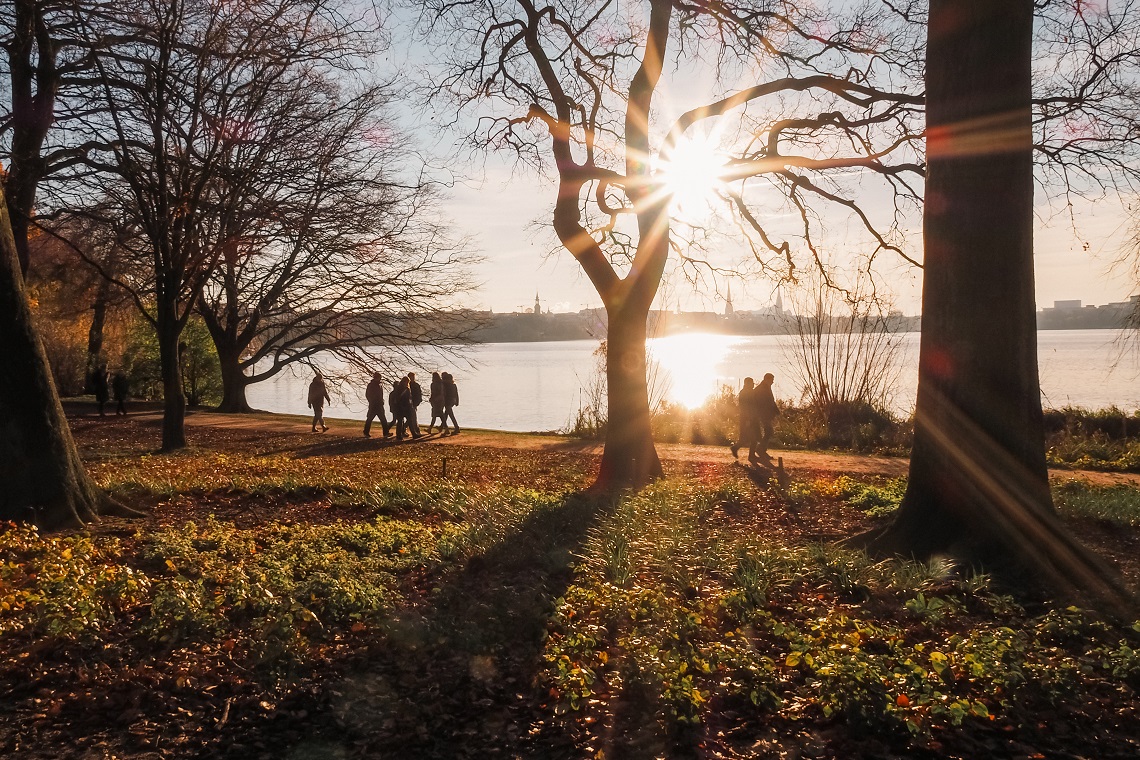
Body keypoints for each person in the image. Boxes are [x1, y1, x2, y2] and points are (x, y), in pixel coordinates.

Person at [752, 373, 780, 462]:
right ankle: (760, 450)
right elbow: (763, 403)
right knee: (769, 431)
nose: (773, 382)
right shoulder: (762, 389)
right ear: (767, 379)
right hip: (763, 414)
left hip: (765, 414)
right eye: (772, 379)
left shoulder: (765, 387)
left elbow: (771, 401)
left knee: (768, 432)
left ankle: (761, 450)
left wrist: (777, 411)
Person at [730, 377, 756, 459]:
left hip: (748, 417)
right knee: (747, 437)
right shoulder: (745, 393)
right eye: (751, 383)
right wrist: (748, 419)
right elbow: (745, 407)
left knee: (751, 437)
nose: (753, 384)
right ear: (747, 383)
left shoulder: (748, 392)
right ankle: (736, 448)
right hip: (746, 418)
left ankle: (750, 455)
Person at [363, 372, 391, 438]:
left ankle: (386, 433)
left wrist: (381, 400)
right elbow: (368, 394)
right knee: (370, 419)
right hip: (374, 405)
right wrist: (371, 401)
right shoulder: (371, 385)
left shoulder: (379, 385)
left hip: (379, 405)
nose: (379, 379)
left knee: (382, 419)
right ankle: (366, 432)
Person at [406, 372, 423, 437]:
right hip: (409, 404)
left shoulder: (416, 385)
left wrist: (418, 401)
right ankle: (416, 431)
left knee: (411, 417)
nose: (412, 378)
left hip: (414, 403)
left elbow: (419, 393)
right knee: (412, 417)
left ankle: (405, 429)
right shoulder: (407, 385)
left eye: (413, 377)